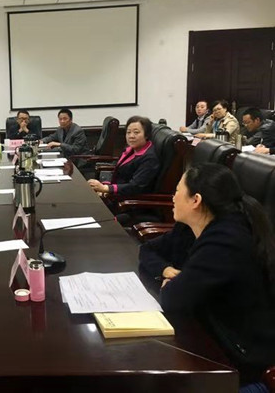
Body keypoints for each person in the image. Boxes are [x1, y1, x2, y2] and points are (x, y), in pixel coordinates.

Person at [139, 164, 275, 385]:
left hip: (243, 366)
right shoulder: (191, 227)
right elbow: (147, 249)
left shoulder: (226, 240)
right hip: (212, 337)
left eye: (177, 191)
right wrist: (166, 270)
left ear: (196, 200)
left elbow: (173, 299)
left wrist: (175, 284)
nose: (173, 197)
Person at [87, 116, 160, 196]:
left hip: (128, 200)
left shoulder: (149, 159)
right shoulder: (130, 149)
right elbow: (119, 173)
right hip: (116, 192)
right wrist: (105, 186)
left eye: (136, 132)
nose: (131, 136)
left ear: (146, 135)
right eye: (128, 132)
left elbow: (135, 187)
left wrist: (106, 188)